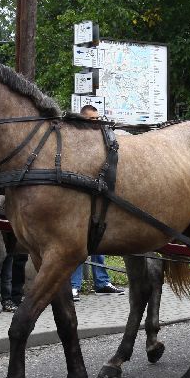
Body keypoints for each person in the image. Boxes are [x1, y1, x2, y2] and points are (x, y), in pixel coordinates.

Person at [70, 104, 124, 298]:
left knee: (98, 242)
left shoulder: (101, 141)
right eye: (93, 120)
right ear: (84, 120)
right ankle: (74, 285)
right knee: (78, 244)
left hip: (98, 199)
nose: (97, 123)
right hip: (80, 201)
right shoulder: (76, 141)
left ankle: (102, 282)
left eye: (98, 119)